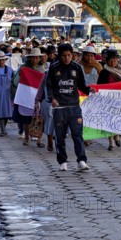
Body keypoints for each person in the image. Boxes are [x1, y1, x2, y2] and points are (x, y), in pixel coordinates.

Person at [44, 43, 95, 171]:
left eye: (69, 55)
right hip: (59, 108)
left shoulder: (77, 68)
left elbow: (82, 85)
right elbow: (49, 86)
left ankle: (82, 160)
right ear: (59, 56)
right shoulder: (54, 68)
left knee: (77, 135)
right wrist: (52, 99)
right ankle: (62, 161)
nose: (66, 58)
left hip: (74, 107)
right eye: (63, 56)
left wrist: (90, 91)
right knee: (60, 136)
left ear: (72, 55)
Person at [11, 48, 46, 147]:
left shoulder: (42, 69)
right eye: (33, 58)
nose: (35, 60)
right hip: (26, 96)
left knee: (38, 118)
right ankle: (26, 137)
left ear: (39, 58)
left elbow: (44, 84)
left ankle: (39, 139)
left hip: (38, 96)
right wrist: (21, 75)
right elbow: (15, 82)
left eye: (37, 58)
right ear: (29, 58)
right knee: (26, 119)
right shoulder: (23, 68)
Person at [97, 48, 121, 151]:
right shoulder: (104, 72)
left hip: (120, 100)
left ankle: (117, 135)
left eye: (115, 59)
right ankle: (111, 142)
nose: (113, 62)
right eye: (110, 60)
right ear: (106, 60)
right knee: (109, 119)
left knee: (118, 119)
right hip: (108, 100)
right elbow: (99, 86)